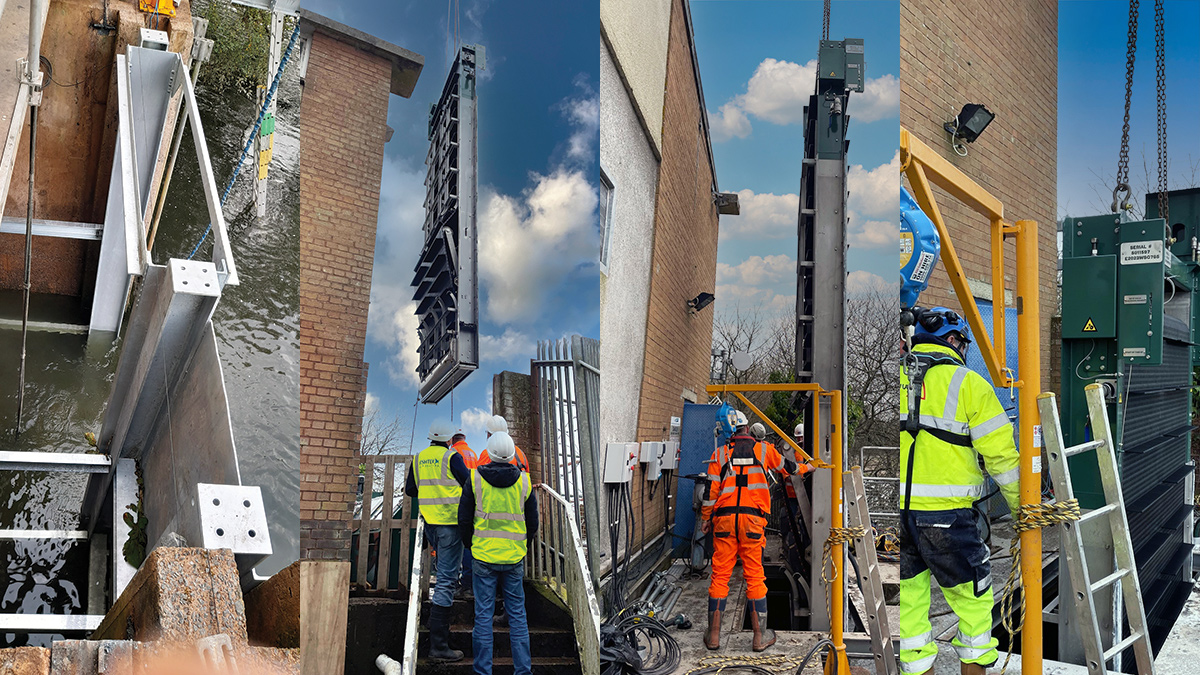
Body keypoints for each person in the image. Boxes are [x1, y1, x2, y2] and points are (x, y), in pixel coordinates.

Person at [898, 307, 1019, 675]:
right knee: (974, 611)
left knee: (911, 616)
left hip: (899, 518)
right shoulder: (969, 384)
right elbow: (1002, 460)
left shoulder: (897, 378)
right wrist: (1024, 510)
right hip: (947, 518)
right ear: (953, 341)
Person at [699, 410, 812, 651]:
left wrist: (706, 520)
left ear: (729, 430)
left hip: (725, 521)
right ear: (747, 428)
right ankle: (760, 637)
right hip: (752, 522)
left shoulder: (719, 454)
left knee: (720, 575)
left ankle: (714, 637)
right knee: (755, 575)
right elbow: (789, 468)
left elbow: (710, 493)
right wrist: (809, 468)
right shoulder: (764, 449)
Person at [458, 432, 538, 675]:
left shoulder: (474, 479)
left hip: (483, 557)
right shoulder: (525, 481)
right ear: (513, 455)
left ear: (488, 454)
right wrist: (522, 547)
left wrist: (471, 546)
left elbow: (464, 519)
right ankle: (523, 671)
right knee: (517, 616)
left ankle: (483, 671)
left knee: (483, 615)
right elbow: (533, 523)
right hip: (513, 558)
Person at [405, 419, 470, 662]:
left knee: (442, 575)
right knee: (446, 581)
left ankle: (441, 638)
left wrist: (430, 489)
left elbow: (411, 489)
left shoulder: (419, 457)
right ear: (449, 439)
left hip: (431, 524)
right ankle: (438, 646)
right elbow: (468, 483)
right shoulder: (451, 458)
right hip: (450, 524)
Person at [452, 429, 479, 592]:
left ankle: (455, 582)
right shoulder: (473, 454)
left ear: (452, 439)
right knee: (468, 542)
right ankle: (469, 581)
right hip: (472, 500)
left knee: (455, 544)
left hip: (456, 500)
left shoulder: (453, 452)